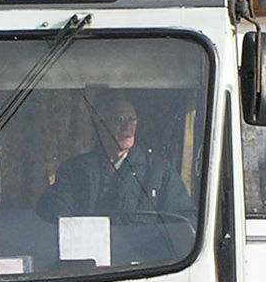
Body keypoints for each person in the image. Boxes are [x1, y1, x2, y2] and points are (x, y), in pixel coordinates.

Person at [35, 92, 193, 222]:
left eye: (132, 120)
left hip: (145, 257)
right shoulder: (75, 170)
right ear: (100, 125)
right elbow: (53, 209)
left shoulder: (159, 170)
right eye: (120, 120)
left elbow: (185, 219)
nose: (128, 127)